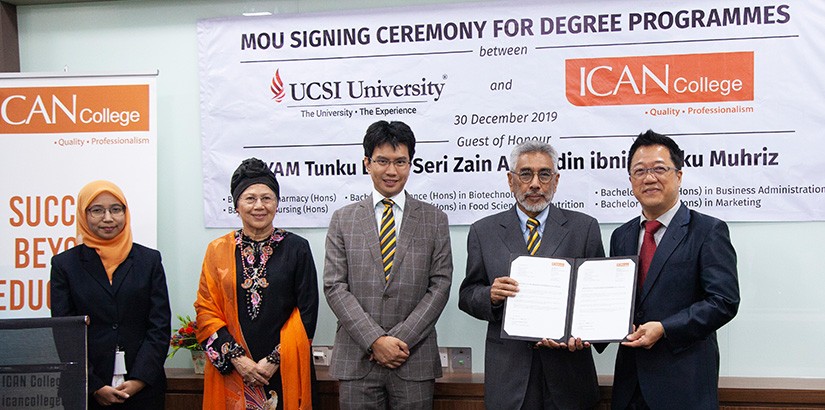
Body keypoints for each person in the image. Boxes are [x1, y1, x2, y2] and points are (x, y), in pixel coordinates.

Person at [458, 140, 604, 409]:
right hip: (510, 374)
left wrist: (588, 334)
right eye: (525, 174)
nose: (535, 183)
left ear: (556, 180)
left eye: (544, 174)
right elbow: (467, 295)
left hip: (568, 372)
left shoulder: (584, 228)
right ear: (511, 180)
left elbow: (598, 300)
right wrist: (490, 295)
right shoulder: (483, 231)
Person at [323, 120, 453, 410]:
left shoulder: (434, 220)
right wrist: (375, 340)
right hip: (357, 359)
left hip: (413, 358)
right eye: (382, 161)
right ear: (367, 163)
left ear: (411, 164)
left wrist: (398, 340)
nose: (391, 171)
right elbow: (334, 287)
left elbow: (440, 285)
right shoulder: (343, 220)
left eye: (400, 162)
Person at [610, 130, 740, 409]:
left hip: (684, 384)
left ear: (678, 176)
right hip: (630, 386)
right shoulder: (621, 236)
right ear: (631, 180)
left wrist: (665, 328)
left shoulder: (708, 231)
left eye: (659, 169)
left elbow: (724, 302)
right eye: (639, 171)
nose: (649, 178)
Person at [195, 158, 319, 410]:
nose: (259, 206)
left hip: (284, 368)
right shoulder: (217, 250)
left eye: (267, 198)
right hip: (234, 369)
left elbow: (308, 312)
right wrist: (238, 359)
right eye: (250, 198)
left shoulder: (297, 248)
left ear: (277, 203)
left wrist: (274, 359)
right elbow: (206, 311)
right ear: (236, 206)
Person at [51, 180, 171, 409]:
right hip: (85, 389)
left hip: (143, 389)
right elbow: (65, 333)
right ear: (83, 215)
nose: (108, 218)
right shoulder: (64, 265)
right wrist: (94, 385)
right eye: (97, 210)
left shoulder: (149, 260)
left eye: (116, 209)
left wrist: (139, 379)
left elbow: (159, 326)